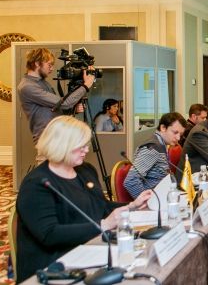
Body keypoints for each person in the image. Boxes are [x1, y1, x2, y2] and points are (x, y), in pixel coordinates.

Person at [16, 116, 152, 282]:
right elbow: (49, 234)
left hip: (89, 250)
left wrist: (132, 205)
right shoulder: (37, 184)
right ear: (61, 145)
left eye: (86, 145)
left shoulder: (85, 170)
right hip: (54, 267)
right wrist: (103, 225)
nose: (86, 150)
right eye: (81, 146)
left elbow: (101, 206)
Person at [17, 48, 95, 143]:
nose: (52, 68)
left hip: (56, 135)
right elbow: (64, 103)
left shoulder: (42, 83)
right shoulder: (27, 86)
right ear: (37, 63)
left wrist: (73, 109)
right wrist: (86, 85)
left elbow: (55, 108)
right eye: (49, 65)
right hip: (46, 139)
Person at [123, 112, 186, 198]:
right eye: (175, 132)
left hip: (163, 194)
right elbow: (131, 181)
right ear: (163, 128)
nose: (178, 138)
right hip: (156, 200)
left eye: (180, 134)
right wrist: (148, 202)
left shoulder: (161, 144)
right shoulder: (152, 148)